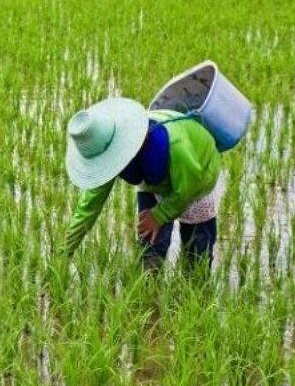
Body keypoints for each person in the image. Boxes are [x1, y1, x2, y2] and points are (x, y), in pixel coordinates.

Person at [64, 97, 223, 270]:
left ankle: (196, 287)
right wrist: (65, 252)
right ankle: (149, 287)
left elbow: (190, 186)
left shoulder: (176, 146)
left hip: (198, 176)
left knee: (197, 251)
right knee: (150, 244)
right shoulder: (108, 152)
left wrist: (159, 215)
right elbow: (89, 207)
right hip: (154, 178)